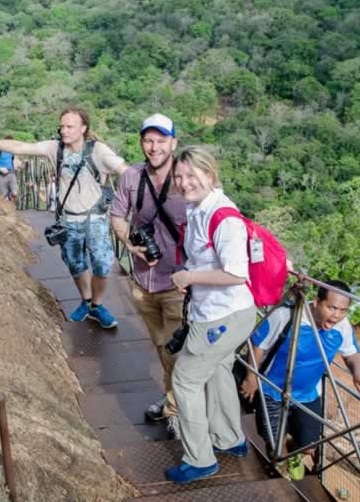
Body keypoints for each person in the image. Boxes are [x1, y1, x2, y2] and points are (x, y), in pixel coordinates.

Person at [0, 107, 128, 328]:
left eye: (69, 126)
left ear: (83, 128)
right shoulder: (55, 148)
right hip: (68, 219)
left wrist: (146, 189)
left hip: (95, 218)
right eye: (62, 126)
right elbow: (21, 147)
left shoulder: (98, 151)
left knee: (102, 264)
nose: (64, 130)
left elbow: (125, 171)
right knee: (76, 264)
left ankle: (97, 305)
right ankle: (86, 301)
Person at [165, 146, 258, 484]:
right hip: (220, 312)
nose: (184, 182)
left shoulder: (224, 216)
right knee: (219, 370)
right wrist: (191, 275)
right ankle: (230, 439)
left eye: (192, 174)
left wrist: (190, 278)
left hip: (223, 315)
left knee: (185, 380)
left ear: (210, 174)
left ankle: (200, 459)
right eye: (179, 176)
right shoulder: (198, 209)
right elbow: (205, 261)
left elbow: (236, 273)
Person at [240, 280, 360, 481]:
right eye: (332, 307)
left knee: (310, 445)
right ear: (317, 302)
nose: (337, 315)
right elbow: (258, 344)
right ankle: (280, 463)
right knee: (274, 441)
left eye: (343, 310)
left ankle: (294, 453)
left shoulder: (342, 326)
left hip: (308, 393)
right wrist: (251, 378)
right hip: (272, 390)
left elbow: (352, 353)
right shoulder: (287, 316)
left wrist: (359, 374)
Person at [110, 114, 188, 433]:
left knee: (177, 351)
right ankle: (173, 401)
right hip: (144, 281)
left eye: (160, 140)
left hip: (180, 284)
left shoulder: (189, 177)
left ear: (173, 143)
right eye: (148, 140)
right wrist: (130, 242)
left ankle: (177, 411)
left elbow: (220, 217)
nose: (154, 147)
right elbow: (117, 215)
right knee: (161, 346)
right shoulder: (131, 177)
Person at [0, 135, 22, 201]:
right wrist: (0, 168)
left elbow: (15, 160)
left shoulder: (12, 150)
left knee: (15, 193)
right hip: (0, 176)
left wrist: (19, 163)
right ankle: (7, 198)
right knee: (3, 198)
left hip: (11, 174)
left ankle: (9, 196)